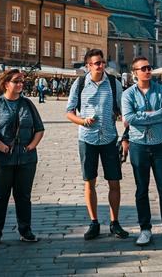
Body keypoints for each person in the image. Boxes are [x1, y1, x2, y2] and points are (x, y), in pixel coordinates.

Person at [65, 49, 129, 241]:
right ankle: (94, 222)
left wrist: (125, 137)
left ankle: (114, 222)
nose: (101, 66)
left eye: (102, 62)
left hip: (109, 138)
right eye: (96, 63)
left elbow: (125, 113)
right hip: (87, 138)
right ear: (88, 66)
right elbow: (69, 112)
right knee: (89, 181)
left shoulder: (113, 83)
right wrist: (82, 121)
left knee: (114, 181)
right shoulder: (80, 83)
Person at [121, 57, 162, 246]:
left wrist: (144, 116)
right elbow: (129, 118)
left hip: (160, 145)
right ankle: (145, 229)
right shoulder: (128, 95)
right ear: (135, 73)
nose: (148, 71)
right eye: (143, 68)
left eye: (149, 68)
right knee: (141, 189)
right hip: (138, 145)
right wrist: (155, 115)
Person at [0, 69, 45, 245]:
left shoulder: (27, 104)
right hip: (1, 159)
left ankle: (25, 230)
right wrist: (1, 146)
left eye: (22, 81)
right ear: (6, 83)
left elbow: (39, 129)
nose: (20, 84)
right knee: (0, 196)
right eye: (16, 81)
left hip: (26, 160)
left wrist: (31, 146)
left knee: (23, 196)